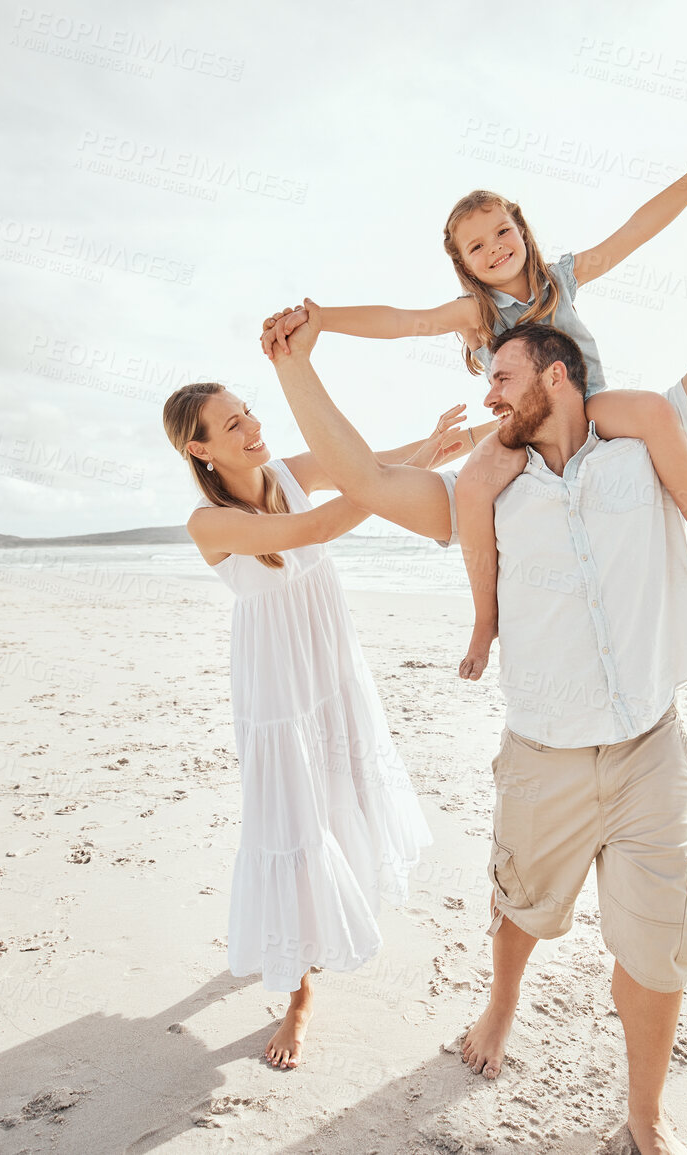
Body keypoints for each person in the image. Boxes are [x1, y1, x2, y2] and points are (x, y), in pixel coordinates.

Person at [257, 148, 687, 1155]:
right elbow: (362, 478)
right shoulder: (480, 493)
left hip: (650, 749)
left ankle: (644, 1119)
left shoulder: (648, 444)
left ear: (554, 368)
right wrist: (297, 363)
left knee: (660, 952)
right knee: (521, 907)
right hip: (541, 749)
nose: (487, 396)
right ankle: (502, 999)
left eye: (500, 375)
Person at [258, 151, 687, 682]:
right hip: (522, 431)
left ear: (521, 228)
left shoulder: (560, 280)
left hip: (590, 406)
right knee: (473, 489)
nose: (495, 248)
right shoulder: (474, 313)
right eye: (476, 246)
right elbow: (403, 322)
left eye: (502, 232)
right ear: (464, 263)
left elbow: (633, 232)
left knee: (656, 412)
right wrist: (324, 319)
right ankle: (484, 621)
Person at [163, 383, 488, 1069]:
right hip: (277, 689)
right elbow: (307, 529)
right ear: (200, 448)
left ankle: (311, 943)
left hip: (330, 666)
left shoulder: (287, 471)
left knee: (342, 798)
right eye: (232, 423)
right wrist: (401, 472)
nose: (252, 424)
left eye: (247, 410)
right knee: (292, 823)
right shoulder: (207, 521)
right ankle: (299, 996)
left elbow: (362, 462)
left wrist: (431, 447)